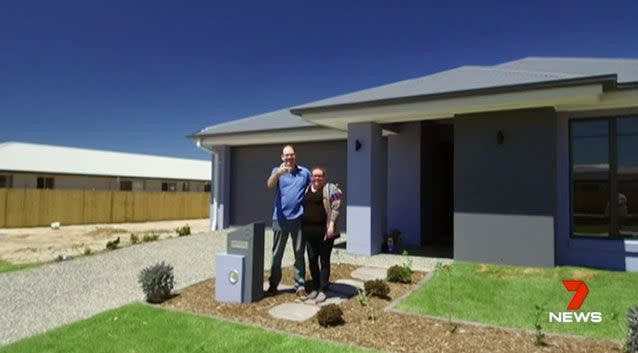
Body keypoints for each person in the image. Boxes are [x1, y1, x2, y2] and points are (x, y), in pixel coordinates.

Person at [265, 145, 311, 298]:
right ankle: (273, 284)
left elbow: (313, 188)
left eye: (291, 154)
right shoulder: (276, 171)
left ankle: (300, 286)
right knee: (277, 254)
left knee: (299, 253)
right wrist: (278, 173)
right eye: (286, 155)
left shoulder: (304, 173)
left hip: (298, 219)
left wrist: (332, 193)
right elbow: (270, 185)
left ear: (295, 156)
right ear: (282, 157)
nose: (289, 157)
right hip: (280, 220)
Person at [302, 167, 342, 304]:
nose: (316, 178)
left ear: (324, 177)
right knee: (312, 260)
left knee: (324, 261)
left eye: (319, 176)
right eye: (314, 176)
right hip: (309, 233)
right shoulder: (307, 188)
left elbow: (336, 206)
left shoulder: (330, 188)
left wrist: (331, 225)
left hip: (325, 233)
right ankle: (315, 287)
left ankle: (323, 289)